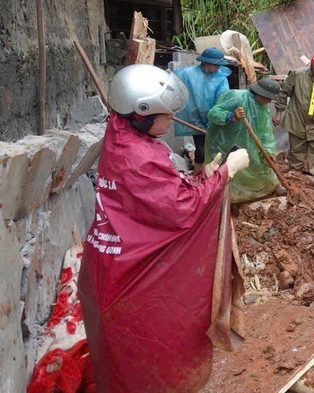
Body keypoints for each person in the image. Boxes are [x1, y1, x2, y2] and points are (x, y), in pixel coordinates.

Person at [78, 65, 251, 391]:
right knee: (144, 363)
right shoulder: (139, 156)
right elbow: (184, 208)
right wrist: (226, 171)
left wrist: (202, 176)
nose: (172, 119)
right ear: (142, 114)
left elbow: (159, 195)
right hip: (130, 282)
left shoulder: (120, 134)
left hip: (107, 266)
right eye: (166, 115)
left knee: (117, 365)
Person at [206, 77, 283, 202]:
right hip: (225, 143)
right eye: (268, 97)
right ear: (259, 93)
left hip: (248, 145)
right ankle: (227, 199)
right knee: (227, 172)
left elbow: (266, 133)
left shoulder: (263, 109)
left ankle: (267, 189)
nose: (269, 101)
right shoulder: (237, 97)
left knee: (261, 168)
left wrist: (269, 151)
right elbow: (213, 114)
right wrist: (231, 116)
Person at [274, 51, 314, 182]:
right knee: (296, 151)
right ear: (312, 65)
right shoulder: (297, 74)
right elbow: (283, 92)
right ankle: (296, 178)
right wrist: (279, 112)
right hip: (297, 119)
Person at [173, 47, 231, 165]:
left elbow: (223, 100)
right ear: (206, 62)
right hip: (195, 120)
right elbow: (172, 81)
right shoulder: (187, 74)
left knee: (217, 151)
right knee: (201, 151)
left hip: (214, 120)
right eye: (216, 65)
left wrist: (220, 117)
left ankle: (214, 177)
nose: (218, 67)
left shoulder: (221, 78)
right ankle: (198, 175)